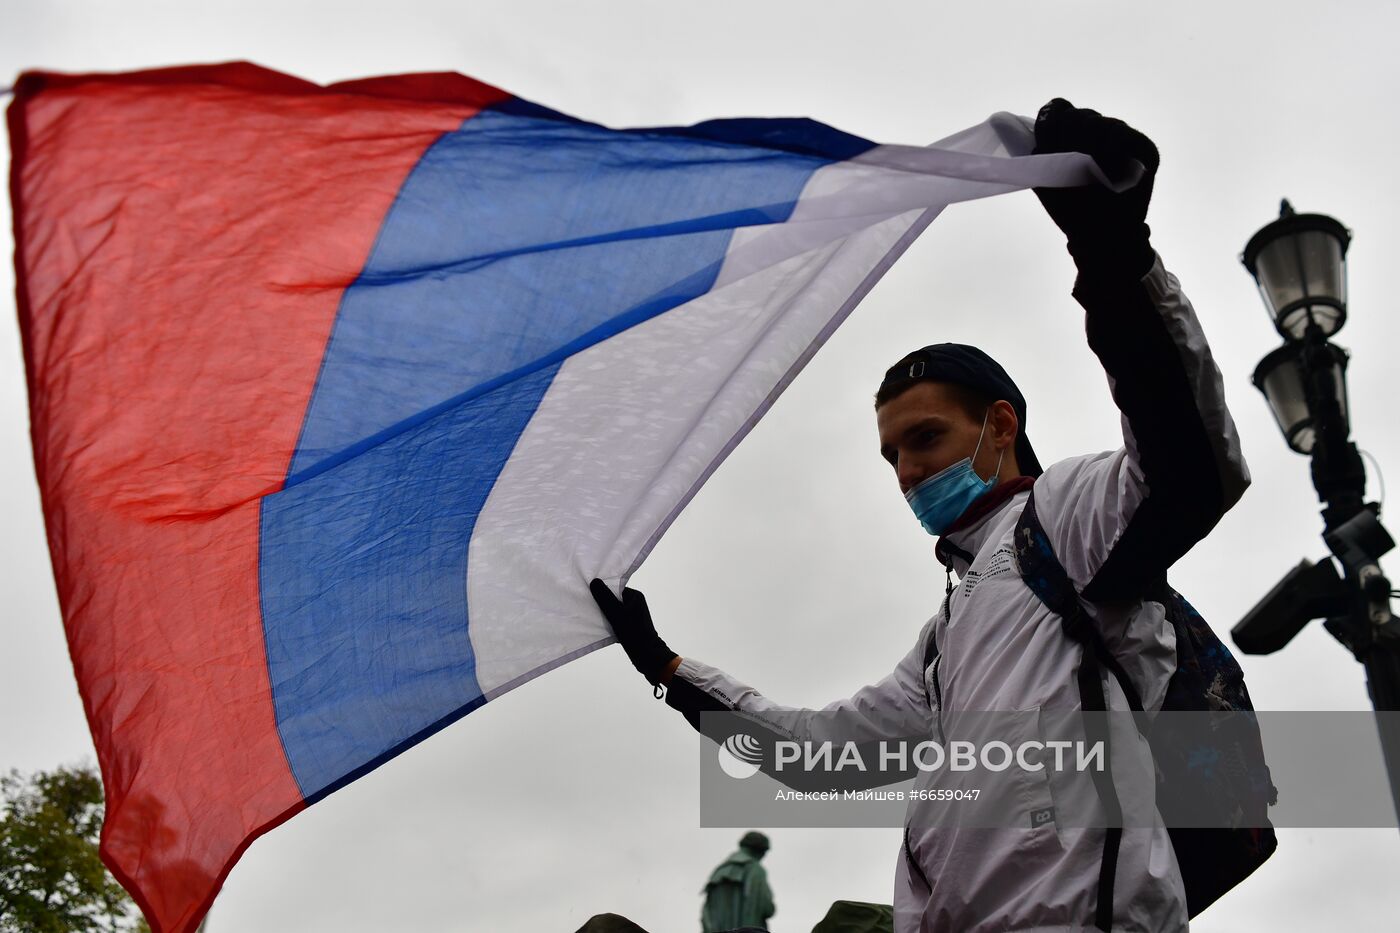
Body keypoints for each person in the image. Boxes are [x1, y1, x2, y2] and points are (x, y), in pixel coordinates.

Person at [591, 99, 1249, 933]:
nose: (908, 471)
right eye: (892, 455)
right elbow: (816, 758)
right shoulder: (944, 639)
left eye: (927, 438)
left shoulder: (1071, 515)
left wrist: (1113, 258)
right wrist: (671, 669)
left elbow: (1193, 464)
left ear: (1001, 424)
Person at [701, 831, 777, 932]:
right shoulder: (754, 869)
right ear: (760, 851)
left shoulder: (719, 872)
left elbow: (706, 914)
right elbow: (763, 907)